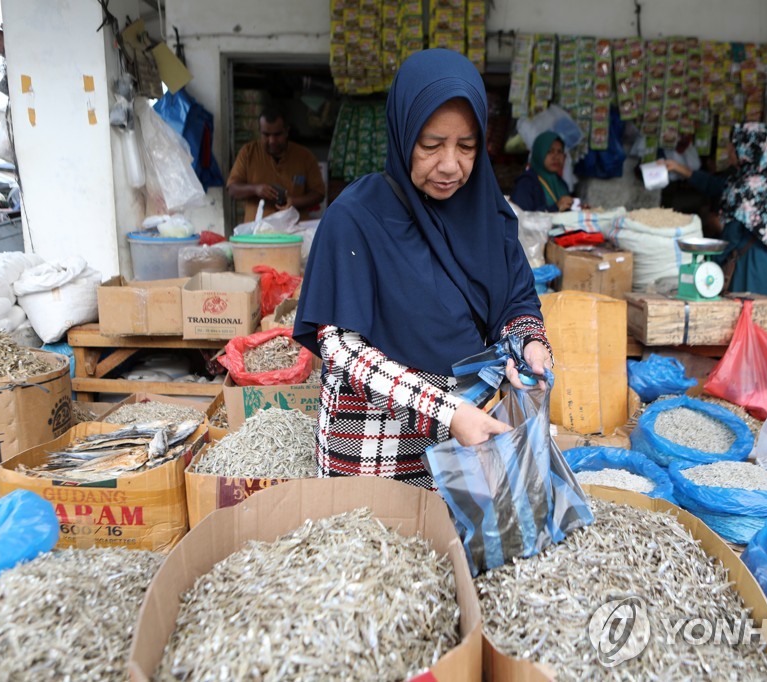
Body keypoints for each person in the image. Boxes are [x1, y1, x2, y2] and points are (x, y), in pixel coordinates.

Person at [294, 49, 553, 489]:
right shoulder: (356, 218)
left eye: (467, 146)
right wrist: (446, 412)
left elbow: (515, 302)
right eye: (431, 145)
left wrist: (530, 343)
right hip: (374, 454)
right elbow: (344, 353)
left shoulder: (488, 216)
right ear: (402, 135)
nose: (450, 165)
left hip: (467, 446)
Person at [661, 122, 767, 299]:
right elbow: (716, 185)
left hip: (752, 265)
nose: (729, 151)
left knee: (749, 318)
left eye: (733, 147)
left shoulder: (748, 187)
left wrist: (709, 262)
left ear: (748, 149)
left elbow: (733, 234)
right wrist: (677, 167)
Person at [226, 104, 326, 222]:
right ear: (259, 132)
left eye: (277, 134)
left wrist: (293, 202)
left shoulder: (305, 156)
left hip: (295, 231)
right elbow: (232, 189)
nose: (272, 140)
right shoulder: (248, 153)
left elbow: (319, 193)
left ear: (286, 131)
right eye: (266, 135)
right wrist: (255, 189)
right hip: (257, 233)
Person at [510, 131, 574, 212]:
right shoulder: (527, 183)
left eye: (559, 152)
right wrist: (555, 208)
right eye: (549, 151)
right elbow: (522, 216)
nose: (556, 157)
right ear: (539, 153)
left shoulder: (561, 184)